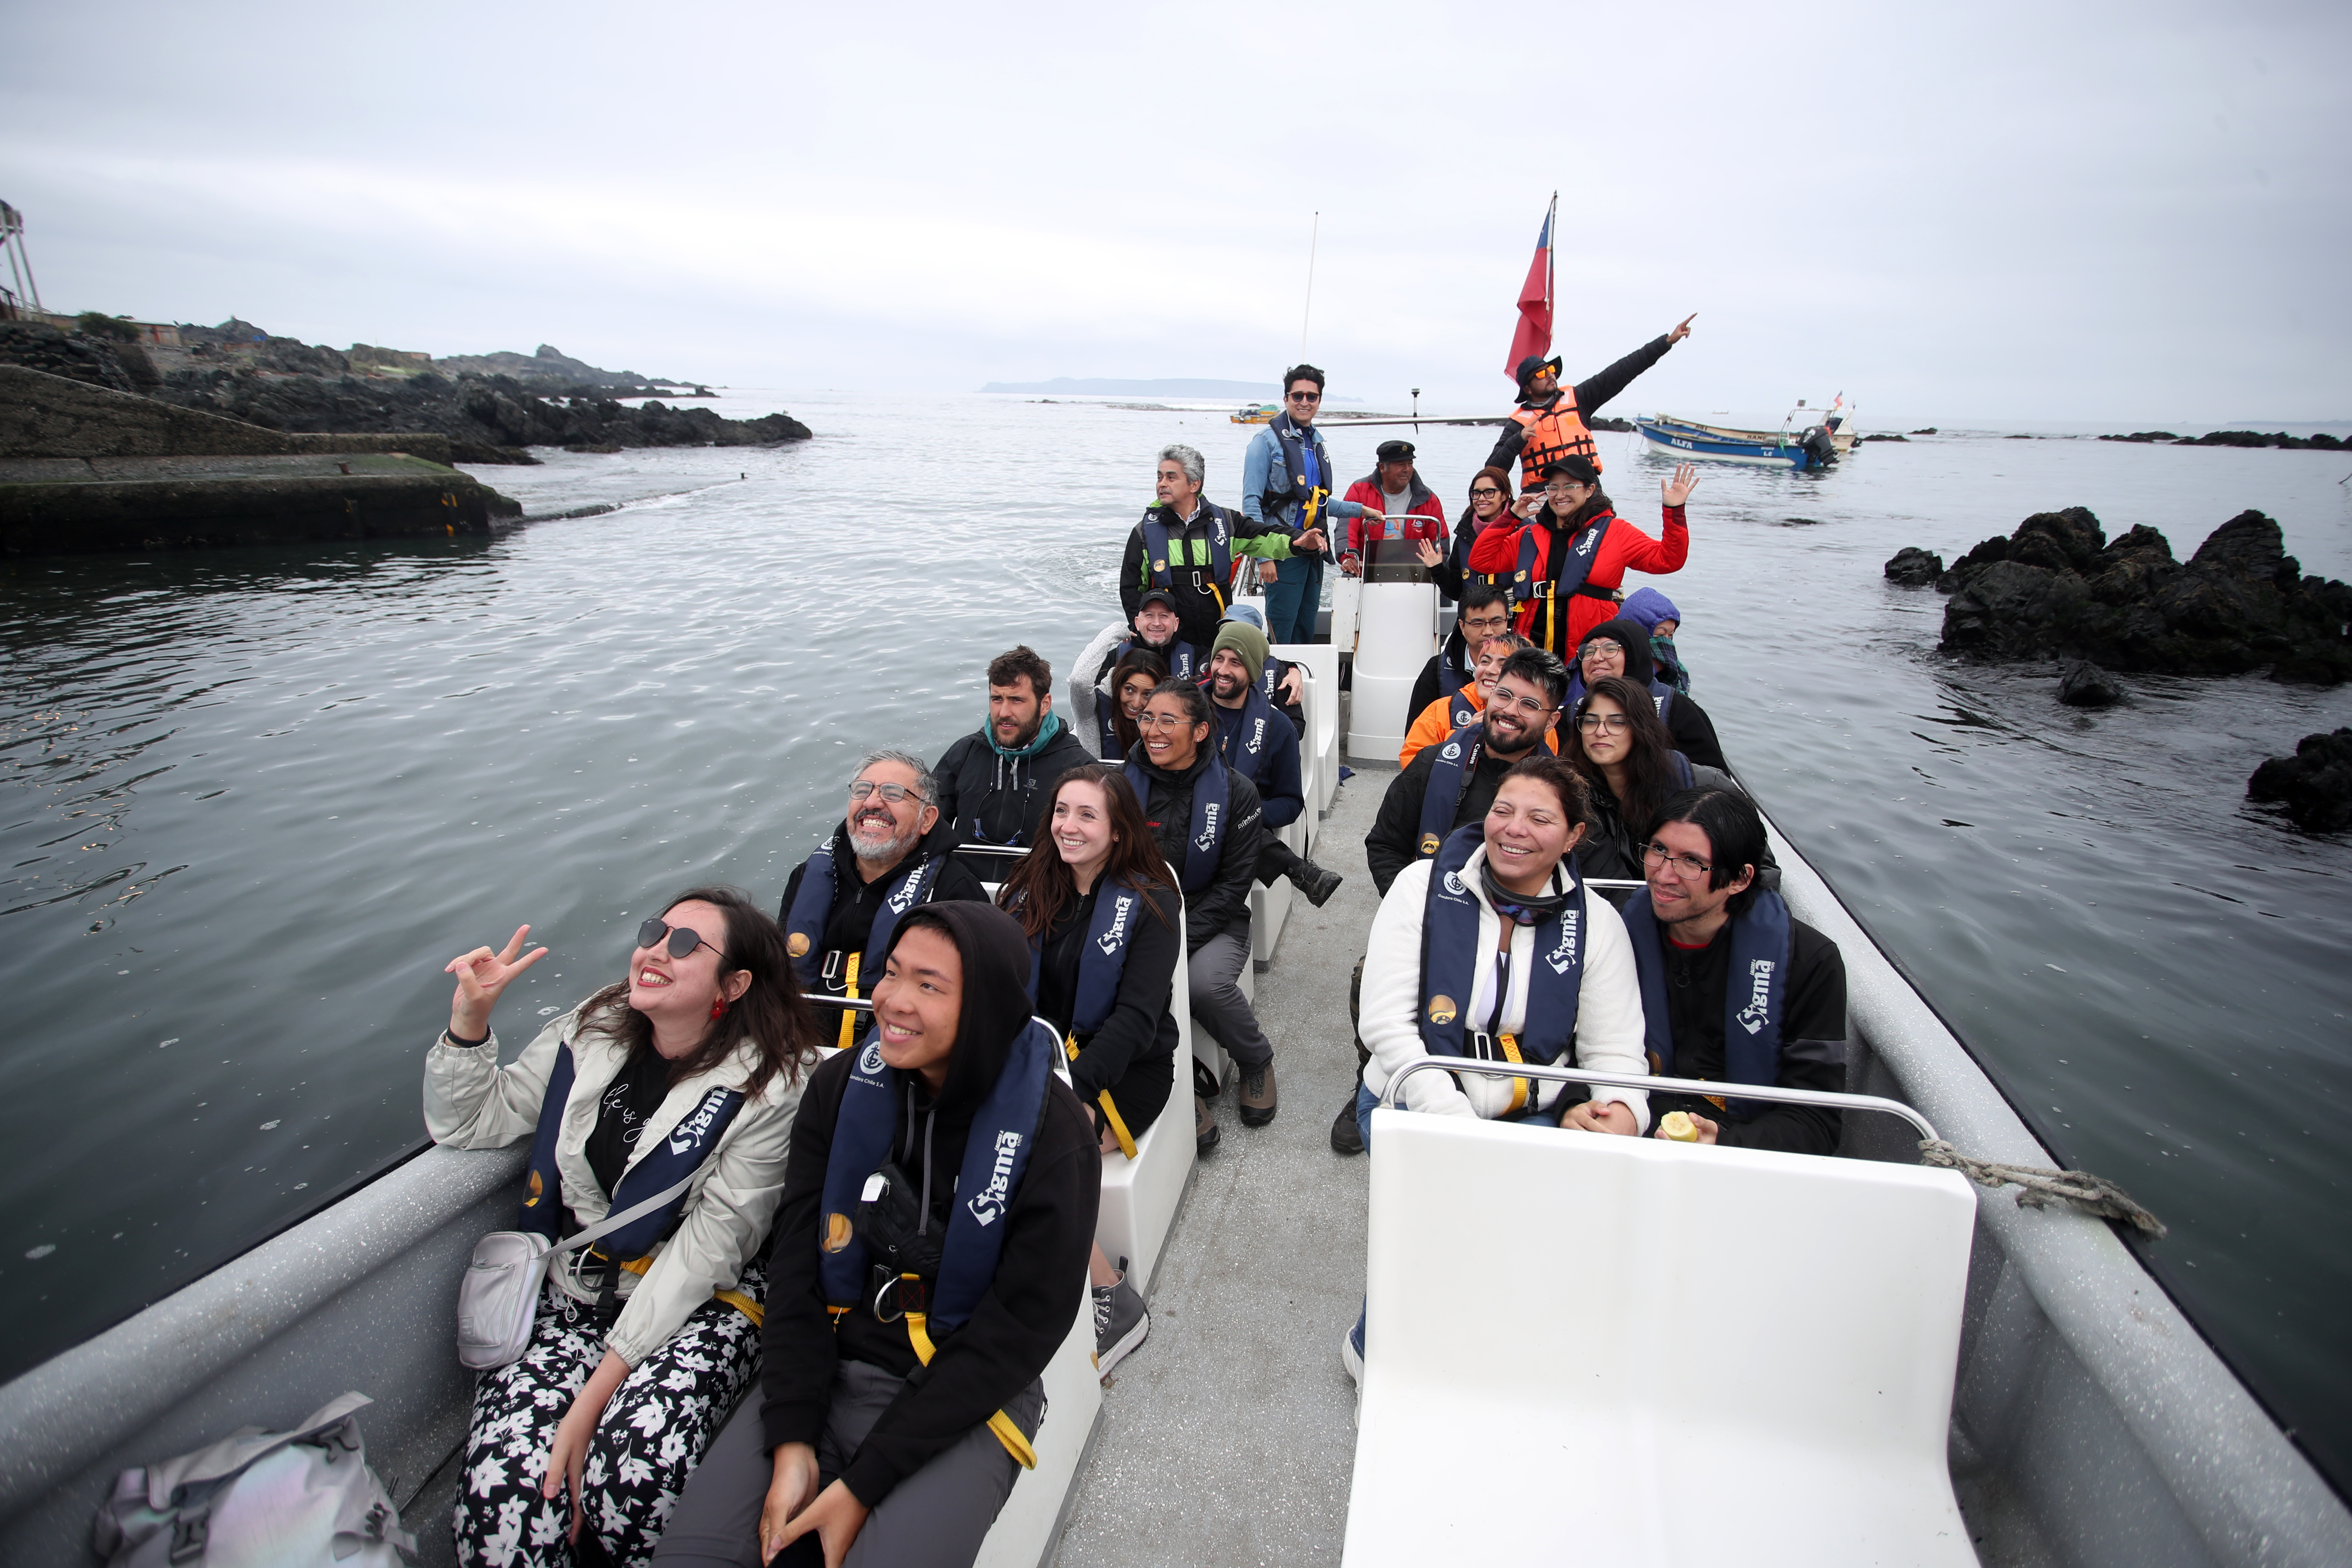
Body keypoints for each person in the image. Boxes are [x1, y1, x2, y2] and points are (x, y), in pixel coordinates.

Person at [651, 904, 1097, 1568]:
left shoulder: (1055, 1138)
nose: (893, 1000)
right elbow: (796, 1268)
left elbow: (1020, 1332)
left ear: (986, 1008)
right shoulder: (837, 1090)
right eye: (891, 974)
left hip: (965, 1394)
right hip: (829, 1363)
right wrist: (794, 1436)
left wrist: (860, 1486)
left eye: (929, 985)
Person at [431, 887, 818, 1568]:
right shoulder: (592, 1029)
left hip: (695, 1306)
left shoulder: (770, 1088)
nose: (654, 951)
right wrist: (470, 1023)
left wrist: (591, 1400)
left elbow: (706, 1255)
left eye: (684, 944)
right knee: (507, 1506)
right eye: (653, 932)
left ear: (734, 984)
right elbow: (471, 1122)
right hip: (571, 1292)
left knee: (632, 1474)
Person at [1342, 752, 1651, 1385]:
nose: (1514, 828)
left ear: (1574, 838)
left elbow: (1616, 1052)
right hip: (1413, 1103)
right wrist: (1457, 1122)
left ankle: (1496, 1350)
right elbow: (1385, 1025)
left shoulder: (1600, 929)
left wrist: (1624, 1114)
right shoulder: (1420, 888)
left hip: (1534, 1113)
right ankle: (1377, 1349)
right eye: (1503, 811)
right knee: (1442, 1223)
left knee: (1526, 1240)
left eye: (1540, 819)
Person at [997, 764, 1184, 1373]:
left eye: (1086, 815)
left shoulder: (1153, 903)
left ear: (1119, 830)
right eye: (1061, 812)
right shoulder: (1033, 886)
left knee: (1025, 1154)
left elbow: (1134, 1019)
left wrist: (1072, 1093)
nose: (1067, 827)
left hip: (1126, 1072)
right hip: (1043, 1061)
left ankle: (1112, 1298)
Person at [1622, 786, 1848, 1157]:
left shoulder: (1811, 962)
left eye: (1691, 862)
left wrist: (1724, 1143)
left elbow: (1816, 1122)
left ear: (1740, 879)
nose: (1663, 875)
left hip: (1742, 1146)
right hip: (1635, 1121)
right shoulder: (1616, 933)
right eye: (1658, 851)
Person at [1123, 678, 1276, 1137]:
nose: (1153, 730)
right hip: (1133, 919)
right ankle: (1171, 1086)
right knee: (1122, 987)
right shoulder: (1116, 787)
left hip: (1216, 919)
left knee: (1204, 986)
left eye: (1168, 720)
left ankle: (1255, 1060)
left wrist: (1174, 937)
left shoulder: (1238, 792)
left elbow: (1234, 884)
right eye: (1147, 718)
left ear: (1201, 731)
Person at [779, 751, 989, 1049]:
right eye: (862, 790)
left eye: (893, 793)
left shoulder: (956, 893)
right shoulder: (807, 878)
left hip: (897, 1050)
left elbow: (974, 1000)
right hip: (800, 1043)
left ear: (927, 819)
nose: (872, 802)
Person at [1364, 647, 1567, 897]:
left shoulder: (1561, 791)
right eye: (1504, 695)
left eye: (1530, 705)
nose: (1510, 711)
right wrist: (1414, 908)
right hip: (1432, 911)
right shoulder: (1432, 762)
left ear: (1551, 722)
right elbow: (1386, 846)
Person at [1467, 458, 1700, 667]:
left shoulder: (1616, 532)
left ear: (1590, 490)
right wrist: (1512, 517)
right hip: (1533, 654)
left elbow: (1669, 560)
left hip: (1590, 657)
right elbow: (1482, 559)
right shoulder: (1530, 535)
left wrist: (1674, 511)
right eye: (1553, 488)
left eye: (1570, 486)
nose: (1560, 495)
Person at [1205, 616, 1345, 906]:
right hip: (1181, 817)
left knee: (1230, 819)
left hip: (1242, 833)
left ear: (1254, 671)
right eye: (1219, 659)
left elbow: (1290, 803)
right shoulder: (1184, 712)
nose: (1223, 670)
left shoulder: (1279, 727)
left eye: (1236, 662)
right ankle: (1297, 870)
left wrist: (1242, 812)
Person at [1242, 364, 1375, 645]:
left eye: (1312, 397)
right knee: (1281, 630)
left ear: (1319, 401)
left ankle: (1300, 683)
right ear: (1286, 398)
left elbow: (1318, 501)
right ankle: (1275, 684)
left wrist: (1360, 510)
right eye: (1298, 395)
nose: (1305, 402)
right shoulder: (1264, 444)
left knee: (1305, 626)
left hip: (1313, 552)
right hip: (1283, 551)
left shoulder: (1316, 444)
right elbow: (1251, 505)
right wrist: (1264, 556)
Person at [1119, 444, 1292, 656]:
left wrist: (1301, 542)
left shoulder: (1227, 523)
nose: (1162, 484)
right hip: (1171, 642)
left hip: (1216, 635)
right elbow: (1131, 588)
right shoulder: (1144, 533)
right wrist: (1143, 631)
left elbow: (1268, 537)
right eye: (1159, 477)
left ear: (1194, 484)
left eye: (1171, 478)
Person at [1482, 318, 1695, 490]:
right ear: (1527, 389)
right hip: (1543, 498)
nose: (1550, 375)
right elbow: (1492, 470)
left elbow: (1623, 370)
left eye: (1552, 371)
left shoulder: (1580, 398)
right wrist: (1517, 441)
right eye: (1541, 374)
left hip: (1587, 491)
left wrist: (1666, 342)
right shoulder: (1518, 424)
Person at [1563, 676, 1739, 882]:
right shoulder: (1576, 795)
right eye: (1591, 721)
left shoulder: (1707, 785)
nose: (1600, 732)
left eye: (1617, 722)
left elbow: (1761, 872)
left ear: (1642, 728)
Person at [931, 646, 1094, 857]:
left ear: (1044, 704)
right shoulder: (964, 754)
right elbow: (927, 822)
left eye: (1017, 700)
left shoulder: (1077, 767)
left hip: (1040, 886)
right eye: (997, 699)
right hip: (965, 885)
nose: (1004, 712)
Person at [1568, 616, 1727, 771]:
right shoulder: (1573, 711)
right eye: (1588, 652)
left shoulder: (1678, 710)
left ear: (1635, 655)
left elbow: (1714, 780)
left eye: (1610, 649)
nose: (1596, 658)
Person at [1396, 630, 1535, 768]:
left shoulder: (1536, 719)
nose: (1490, 670)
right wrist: (1464, 736)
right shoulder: (1440, 711)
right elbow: (1412, 768)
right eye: (1485, 661)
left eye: (1503, 665)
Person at [1405, 582, 1513, 729]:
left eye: (1496, 622)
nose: (1488, 631)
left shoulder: (1528, 667)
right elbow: (1417, 739)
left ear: (1507, 620)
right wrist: (1464, 736)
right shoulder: (1437, 670)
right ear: (1462, 626)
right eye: (1478, 623)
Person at [1338, 439, 1446, 578]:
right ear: (1383, 468)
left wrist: (1439, 569)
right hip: (1366, 568)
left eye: (1410, 464)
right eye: (1400, 465)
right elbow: (1346, 528)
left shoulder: (1428, 499)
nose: (1407, 469)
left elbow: (1440, 539)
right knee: (1347, 578)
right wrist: (1349, 557)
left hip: (1414, 573)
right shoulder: (1359, 491)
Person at [1421, 466, 1517, 600]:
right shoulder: (1465, 532)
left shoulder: (1522, 531)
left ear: (1505, 495)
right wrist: (1438, 569)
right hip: (1472, 617)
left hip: (1512, 616)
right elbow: (1456, 592)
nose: (1481, 499)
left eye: (1489, 492)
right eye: (1476, 493)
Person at [1099, 646, 1168, 761]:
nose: (1136, 704)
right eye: (1129, 690)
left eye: (1147, 695)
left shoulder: (1170, 721)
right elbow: (1078, 681)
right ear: (1117, 686)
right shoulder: (1093, 711)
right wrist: (1116, 632)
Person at [1621, 586, 1690, 695]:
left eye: (1671, 635)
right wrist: (1653, 668)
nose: (1666, 642)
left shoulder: (1673, 668)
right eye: (1661, 634)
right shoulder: (1611, 657)